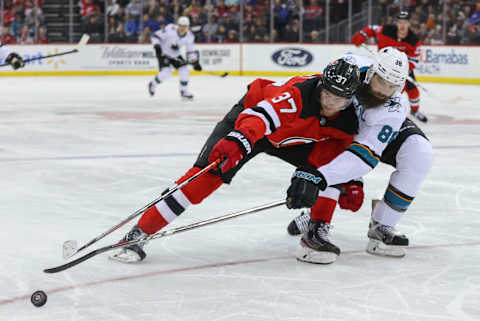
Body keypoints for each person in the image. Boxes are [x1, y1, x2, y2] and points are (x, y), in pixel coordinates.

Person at [110, 58, 362, 263]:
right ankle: (139, 232)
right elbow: (262, 116)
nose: (330, 103)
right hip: (249, 121)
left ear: (351, 98)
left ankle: (316, 229)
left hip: (292, 139)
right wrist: (240, 139)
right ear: (320, 85)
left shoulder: (349, 118)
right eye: (326, 95)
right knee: (204, 179)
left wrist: (353, 180)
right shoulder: (299, 94)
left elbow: (345, 151)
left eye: (338, 99)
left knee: (329, 171)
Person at [285, 48, 433, 264]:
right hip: (337, 125)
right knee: (332, 149)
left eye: (392, 87)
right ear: (371, 73)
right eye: (381, 82)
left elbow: (364, 155)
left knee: (420, 153)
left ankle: (382, 225)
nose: (384, 91)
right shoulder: (349, 66)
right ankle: (316, 220)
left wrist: (329, 177)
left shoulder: (393, 108)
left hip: (368, 134)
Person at [352, 11, 428, 123]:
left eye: (405, 22)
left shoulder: (414, 40)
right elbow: (371, 29)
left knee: (412, 90)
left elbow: (414, 60)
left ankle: (414, 111)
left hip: (402, 70)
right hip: (381, 66)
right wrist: (362, 35)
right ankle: (362, 102)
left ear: (409, 24)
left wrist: (403, 70)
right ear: (397, 23)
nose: (402, 25)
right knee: (371, 82)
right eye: (400, 22)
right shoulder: (386, 30)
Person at [148, 16, 202, 100]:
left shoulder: (190, 36)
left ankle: (183, 91)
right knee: (166, 73)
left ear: (188, 27)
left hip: (175, 55)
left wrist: (195, 62)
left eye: (184, 26)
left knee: (184, 70)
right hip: (163, 53)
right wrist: (156, 45)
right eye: (180, 25)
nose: (182, 28)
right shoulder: (170, 29)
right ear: (178, 25)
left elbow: (190, 51)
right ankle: (153, 83)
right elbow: (155, 36)